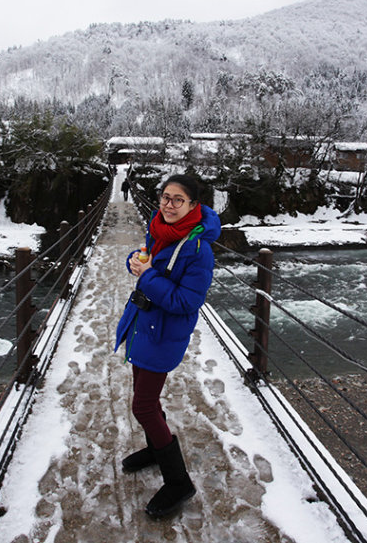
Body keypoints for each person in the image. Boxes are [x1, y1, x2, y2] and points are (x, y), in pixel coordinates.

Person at [114, 173, 221, 518]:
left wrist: (146, 276)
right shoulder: (159, 228)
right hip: (142, 324)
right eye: (165, 197)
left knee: (143, 406)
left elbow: (186, 301)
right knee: (144, 397)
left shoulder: (199, 250)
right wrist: (135, 259)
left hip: (163, 333)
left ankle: (178, 481)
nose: (169, 204)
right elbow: (150, 259)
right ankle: (154, 449)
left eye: (178, 199)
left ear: (194, 205)